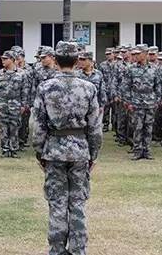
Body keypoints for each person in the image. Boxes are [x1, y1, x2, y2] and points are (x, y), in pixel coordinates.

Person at [33, 41, 102, 255]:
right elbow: (95, 127)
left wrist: (40, 152)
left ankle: (56, 249)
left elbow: (37, 125)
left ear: (55, 59)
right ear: (76, 60)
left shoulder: (45, 86)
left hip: (53, 151)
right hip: (80, 151)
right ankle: (78, 249)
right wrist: (93, 154)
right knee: (78, 203)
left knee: (57, 203)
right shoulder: (89, 87)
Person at [0, 50, 30, 158]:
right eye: (2, 58)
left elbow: (25, 91)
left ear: (12, 60)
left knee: (14, 127)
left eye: (5, 59)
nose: (2, 60)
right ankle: (5, 150)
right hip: (3, 104)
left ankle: (13, 150)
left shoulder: (22, 74)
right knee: (3, 128)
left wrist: (23, 105)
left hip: (16, 105)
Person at [125, 45, 159, 160]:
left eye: (138, 53)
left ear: (145, 54)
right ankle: (137, 150)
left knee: (148, 127)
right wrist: (129, 102)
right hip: (136, 102)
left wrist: (156, 101)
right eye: (134, 54)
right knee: (137, 127)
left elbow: (158, 86)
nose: (136, 56)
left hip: (150, 102)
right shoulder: (131, 68)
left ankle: (147, 150)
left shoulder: (154, 68)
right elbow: (126, 86)